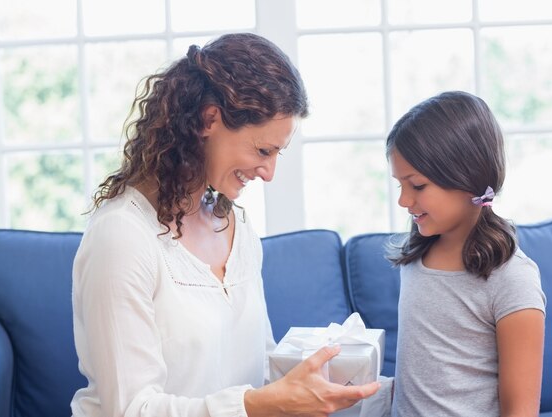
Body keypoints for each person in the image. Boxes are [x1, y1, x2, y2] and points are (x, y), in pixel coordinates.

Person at [70, 32, 380, 417]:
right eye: (262, 150)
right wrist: (258, 405)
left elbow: (259, 372)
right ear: (209, 119)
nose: (269, 173)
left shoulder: (235, 228)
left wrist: (303, 387)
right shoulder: (122, 237)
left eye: (277, 153)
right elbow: (132, 408)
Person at [385, 91, 546, 417]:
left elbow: (521, 410)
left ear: (467, 178)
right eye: (399, 185)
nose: (403, 200)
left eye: (416, 186)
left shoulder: (513, 279)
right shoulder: (416, 256)